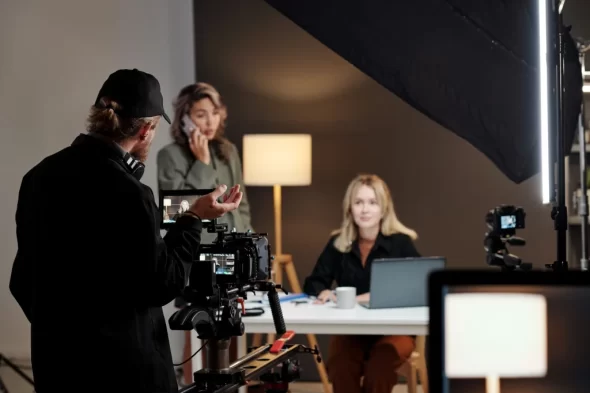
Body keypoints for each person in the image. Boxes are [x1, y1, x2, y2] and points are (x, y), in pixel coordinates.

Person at [9, 68, 243, 393]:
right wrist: (193, 219)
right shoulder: (130, 193)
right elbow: (164, 283)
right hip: (127, 375)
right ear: (146, 129)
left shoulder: (37, 177)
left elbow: (21, 281)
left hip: (57, 369)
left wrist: (61, 332)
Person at [303, 174, 419, 393]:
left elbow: (416, 288)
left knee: (379, 369)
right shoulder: (338, 243)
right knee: (340, 366)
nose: (365, 210)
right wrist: (324, 292)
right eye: (358, 202)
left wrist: (364, 298)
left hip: (394, 331)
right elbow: (313, 283)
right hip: (352, 330)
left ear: (384, 208)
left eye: (372, 203)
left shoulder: (400, 243)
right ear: (350, 208)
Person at [157, 82, 252, 233]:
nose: (210, 122)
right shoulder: (169, 155)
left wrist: (249, 236)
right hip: (196, 249)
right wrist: (202, 163)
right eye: (201, 115)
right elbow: (174, 213)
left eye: (215, 113)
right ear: (184, 120)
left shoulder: (229, 150)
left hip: (236, 243)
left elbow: (242, 207)